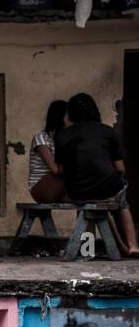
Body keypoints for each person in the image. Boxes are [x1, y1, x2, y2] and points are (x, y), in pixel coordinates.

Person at [56, 91, 139, 256]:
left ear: (70, 114)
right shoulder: (108, 132)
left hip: (77, 192)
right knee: (122, 204)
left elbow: (61, 170)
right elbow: (120, 168)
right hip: (107, 190)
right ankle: (132, 245)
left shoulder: (63, 135)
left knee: (84, 209)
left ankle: (88, 250)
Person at [28, 99, 67, 203]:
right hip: (41, 189)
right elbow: (55, 170)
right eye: (69, 116)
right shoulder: (41, 138)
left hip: (59, 187)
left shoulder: (64, 138)